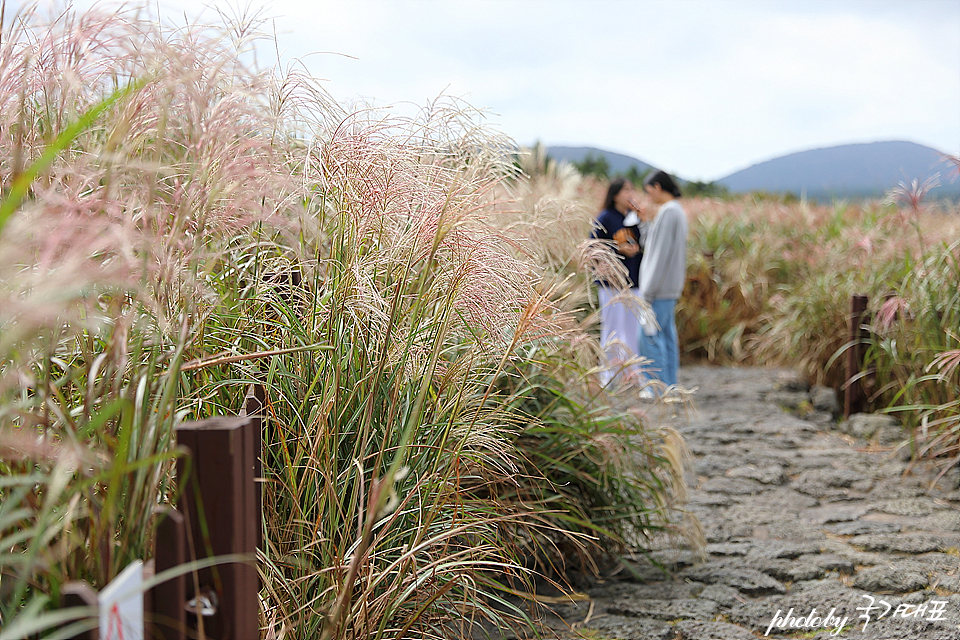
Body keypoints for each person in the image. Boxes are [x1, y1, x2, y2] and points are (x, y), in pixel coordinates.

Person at [590, 177, 647, 387]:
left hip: (632, 281)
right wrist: (617, 249)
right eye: (626, 190)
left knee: (633, 330)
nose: (630, 193)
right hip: (610, 283)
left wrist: (643, 220)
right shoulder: (605, 217)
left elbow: (643, 245)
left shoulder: (633, 218)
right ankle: (608, 377)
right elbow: (593, 248)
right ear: (615, 195)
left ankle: (633, 375)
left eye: (632, 188)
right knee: (611, 329)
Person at [638, 170, 688, 390]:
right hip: (669, 288)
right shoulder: (677, 211)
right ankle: (670, 386)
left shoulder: (668, 213)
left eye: (649, 192)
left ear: (658, 187)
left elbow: (658, 255)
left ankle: (656, 387)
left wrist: (647, 292)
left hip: (659, 289)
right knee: (666, 338)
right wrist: (644, 222)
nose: (649, 197)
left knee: (649, 339)